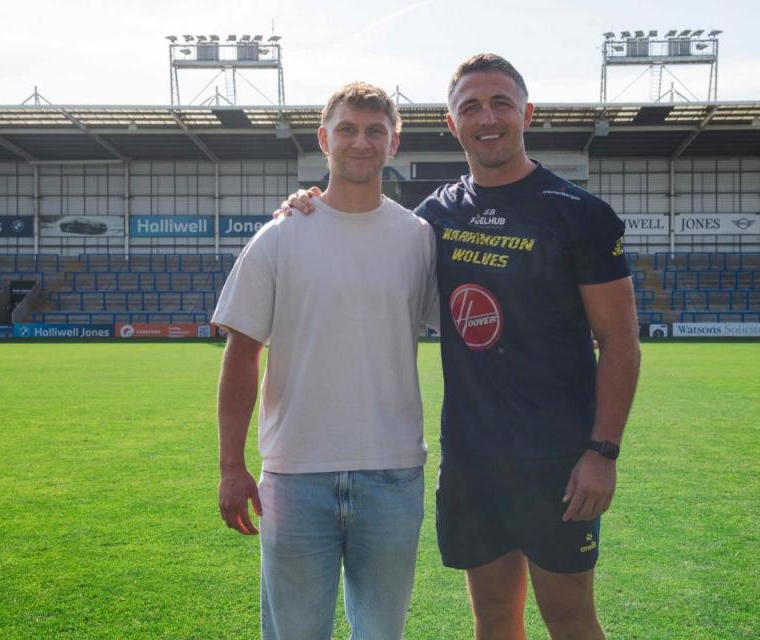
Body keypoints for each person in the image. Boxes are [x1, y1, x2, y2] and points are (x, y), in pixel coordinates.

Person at [277, 54, 640, 640]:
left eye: (500, 103)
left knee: (571, 620)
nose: (487, 117)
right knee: (493, 618)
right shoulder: (434, 218)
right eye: (470, 107)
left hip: (558, 462)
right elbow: (362, 228)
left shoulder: (581, 215)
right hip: (472, 463)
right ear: (452, 123)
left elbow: (619, 341)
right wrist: (307, 205)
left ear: (527, 112)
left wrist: (603, 452)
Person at [214, 82, 437, 640]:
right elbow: (241, 354)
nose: (360, 142)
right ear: (323, 138)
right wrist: (230, 467)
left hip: (392, 473)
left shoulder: (419, 239)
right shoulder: (280, 236)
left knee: (381, 634)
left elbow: (464, 337)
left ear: (394, 143)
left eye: (374, 131)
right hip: (294, 478)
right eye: (347, 129)